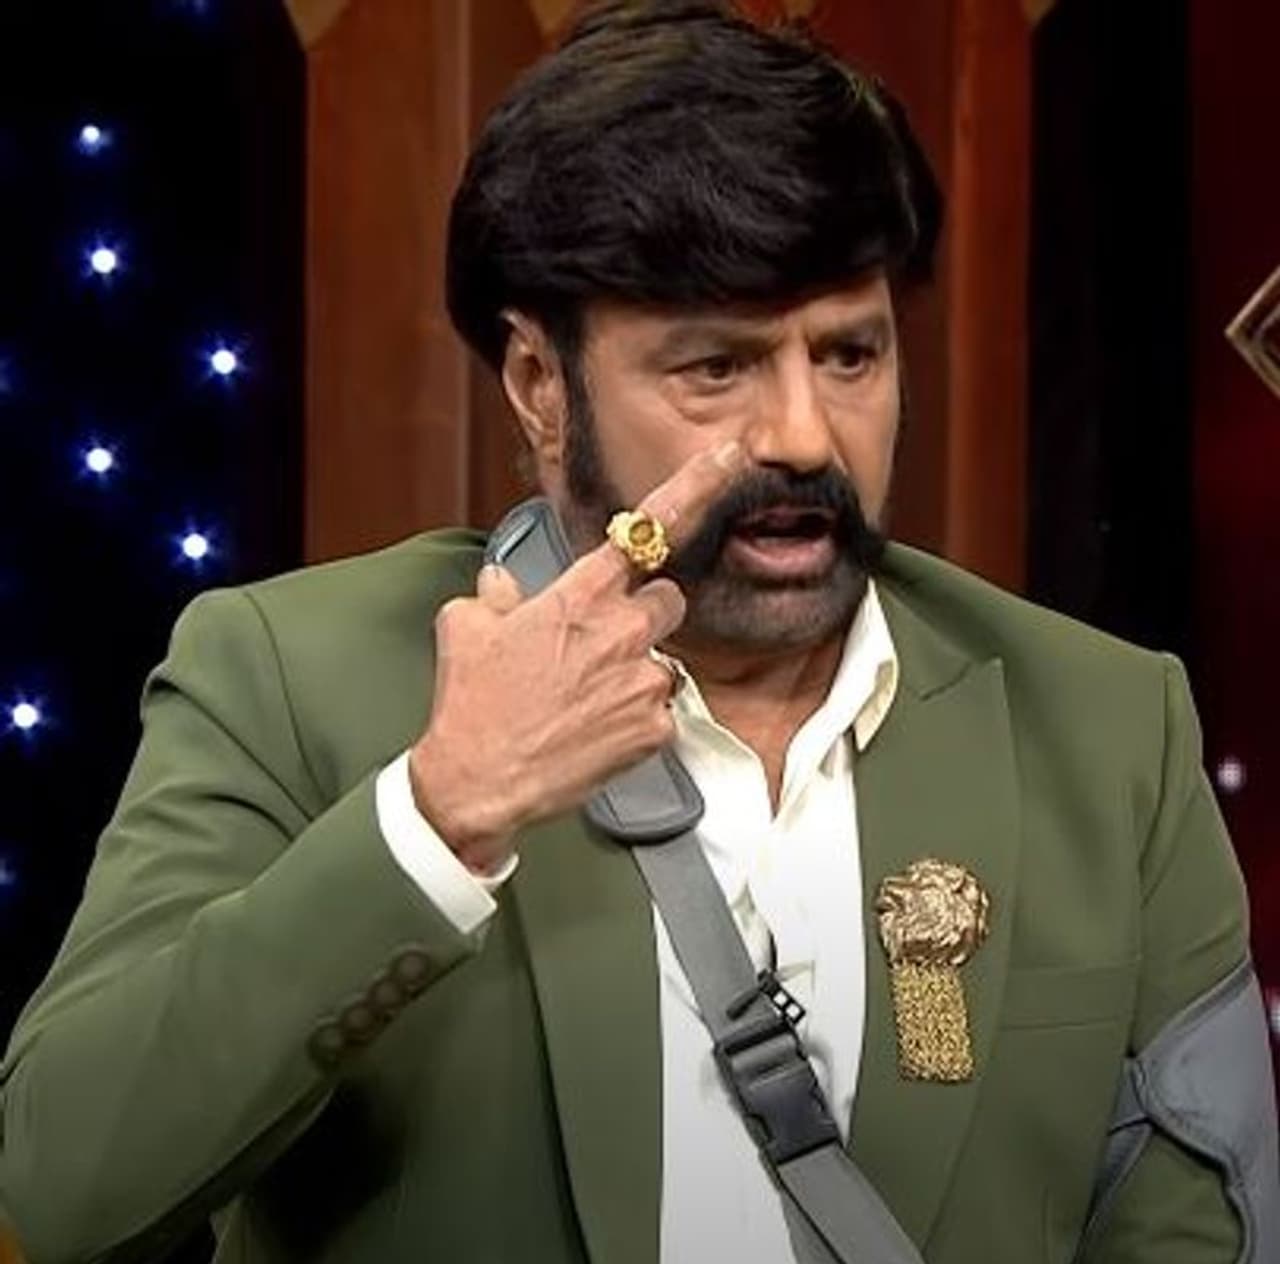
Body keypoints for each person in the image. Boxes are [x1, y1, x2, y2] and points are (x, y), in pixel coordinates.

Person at [1, 2, 1275, 1262]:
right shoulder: (289, 679)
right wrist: (439, 816)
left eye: (848, 356)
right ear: (539, 386)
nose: (802, 437)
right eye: (715, 368)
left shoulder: (1109, 731)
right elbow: (66, 1187)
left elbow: (1195, 1231)